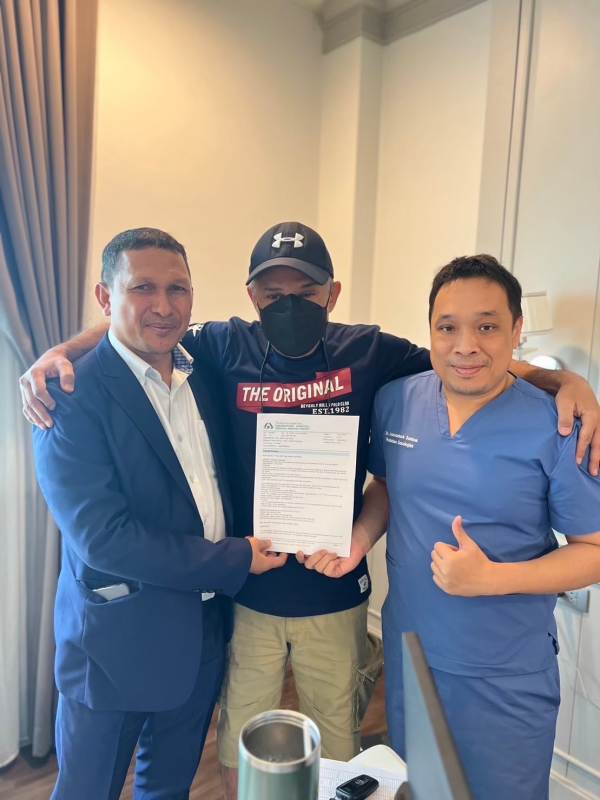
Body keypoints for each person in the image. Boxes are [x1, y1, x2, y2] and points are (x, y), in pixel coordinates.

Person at [20, 224, 600, 800]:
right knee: (237, 754)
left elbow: (460, 359)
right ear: (252, 296)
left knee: (340, 758)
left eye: (306, 292)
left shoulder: (373, 354)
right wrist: (62, 351)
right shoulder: (221, 346)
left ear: (333, 293)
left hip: (338, 595)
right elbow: (147, 324)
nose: (289, 305)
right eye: (274, 294)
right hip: (247, 593)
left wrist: (564, 380)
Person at [306, 255, 600, 799]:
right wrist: (360, 539)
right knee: (421, 788)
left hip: (503, 673)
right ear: (431, 333)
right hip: (413, 655)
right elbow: (388, 487)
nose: (466, 346)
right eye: (448, 328)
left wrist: (494, 579)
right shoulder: (398, 402)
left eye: (487, 327)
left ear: (516, 330)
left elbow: (594, 549)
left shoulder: (558, 425)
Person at [31, 228, 286, 800]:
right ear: (105, 296)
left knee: (168, 789)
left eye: (178, 289)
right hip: (113, 646)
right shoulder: (66, 396)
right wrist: (236, 558)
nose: (164, 306)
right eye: (142, 288)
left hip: (201, 634)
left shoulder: (205, 371)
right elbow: (104, 539)